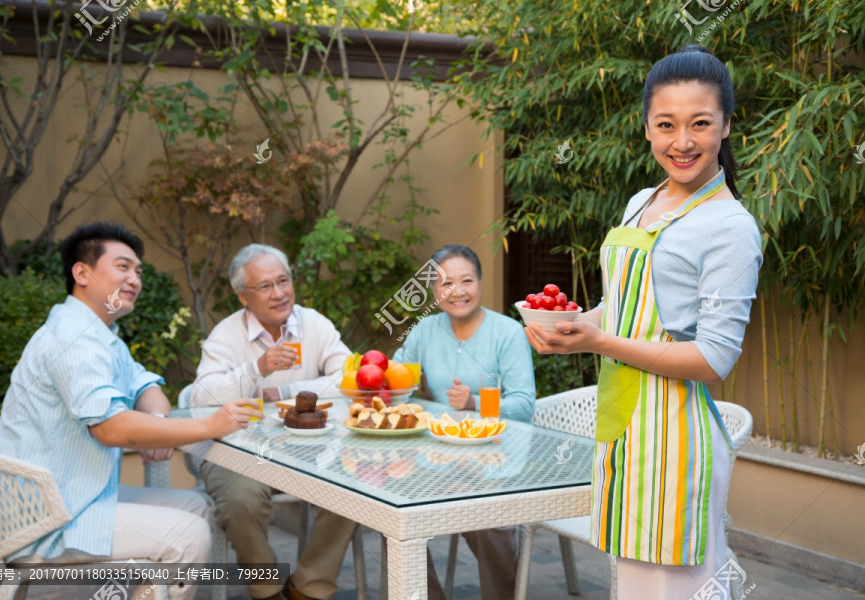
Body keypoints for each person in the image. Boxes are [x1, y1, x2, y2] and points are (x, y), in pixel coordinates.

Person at [526, 46, 762, 599]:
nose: (683, 141)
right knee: (636, 589)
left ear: (726, 125)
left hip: (677, 438)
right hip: (628, 428)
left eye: (700, 123)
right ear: (647, 129)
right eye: (666, 124)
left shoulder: (730, 227)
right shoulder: (642, 200)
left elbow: (712, 360)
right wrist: (571, 327)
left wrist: (598, 340)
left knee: (683, 590)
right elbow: (627, 306)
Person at [0, 222, 260, 600]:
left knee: (197, 507)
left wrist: (156, 424)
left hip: (77, 497)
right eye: (123, 267)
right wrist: (210, 425)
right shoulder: (74, 338)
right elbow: (110, 428)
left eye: (138, 270)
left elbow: (145, 386)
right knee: (189, 535)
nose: (135, 278)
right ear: (81, 273)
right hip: (47, 517)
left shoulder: (101, 336)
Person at [191, 243, 358, 600]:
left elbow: (349, 377)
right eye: (265, 286)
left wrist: (283, 391)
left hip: (313, 449)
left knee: (356, 489)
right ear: (242, 296)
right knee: (241, 499)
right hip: (239, 450)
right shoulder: (226, 334)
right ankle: (266, 589)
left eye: (283, 281)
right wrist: (257, 370)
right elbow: (199, 397)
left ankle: (309, 588)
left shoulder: (313, 323)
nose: (279, 293)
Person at [393, 243, 536, 600]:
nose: (457, 291)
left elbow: (523, 404)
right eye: (445, 284)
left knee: (488, 521)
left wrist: (475, 402)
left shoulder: (508, 332)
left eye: (466, 280)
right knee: (390, 511)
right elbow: (398, 378)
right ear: (433, 291)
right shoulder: (425, 330)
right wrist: (384, 381)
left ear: (480, 282)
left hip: (495, 456)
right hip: (435, 457)